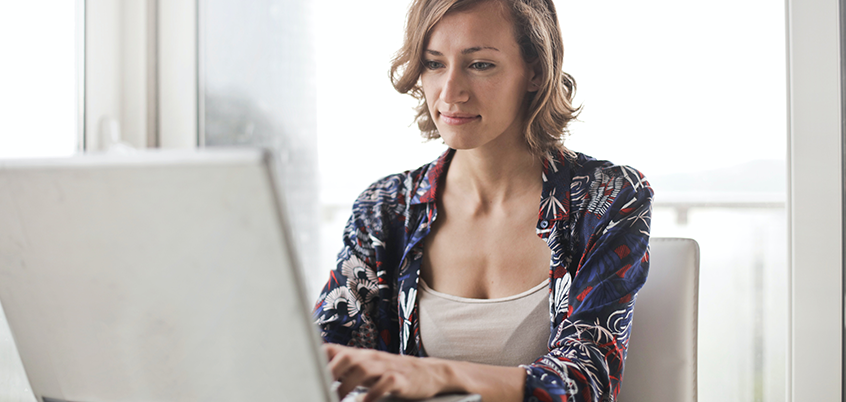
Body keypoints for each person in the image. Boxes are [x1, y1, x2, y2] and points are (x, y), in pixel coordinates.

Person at [312, 0, 653, 401]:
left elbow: (588, 382)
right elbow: (321, 359)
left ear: (535, 72)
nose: (451, 92)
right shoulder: (386, 208)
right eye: (434, 63)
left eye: (480, 65)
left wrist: (437, 375)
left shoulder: (607, 198)